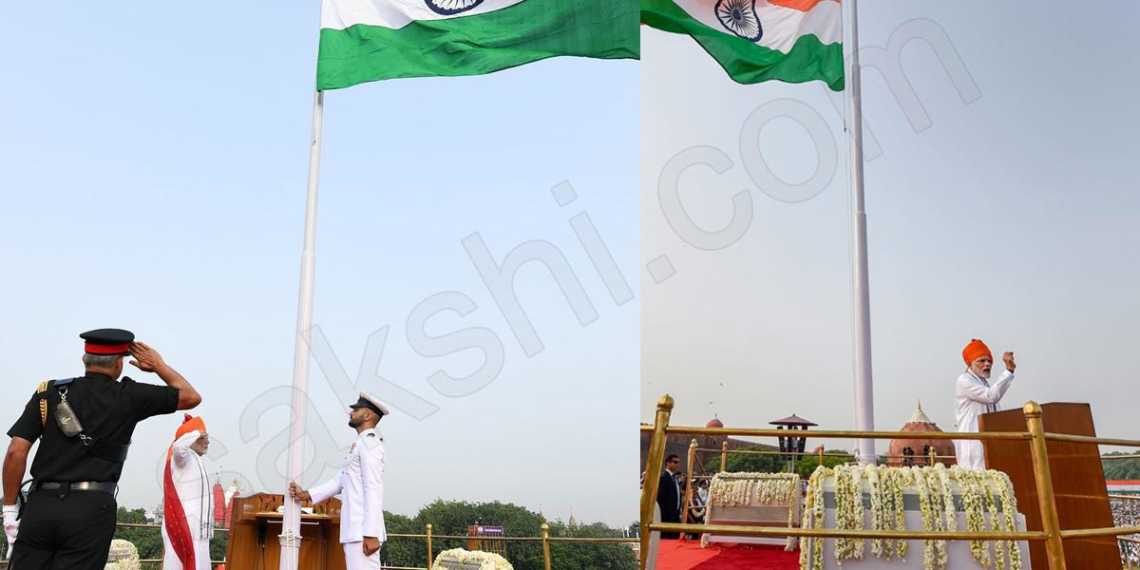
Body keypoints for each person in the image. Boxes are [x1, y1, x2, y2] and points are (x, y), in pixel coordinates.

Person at [3, 329, 201, 569]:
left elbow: (16, 451)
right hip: (90, 509)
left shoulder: (49, 392)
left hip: (41, 505)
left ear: (84, 360)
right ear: (119, 364)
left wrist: (10, 509)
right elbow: (191, 397)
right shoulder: (130, 396)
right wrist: (159, 365)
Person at [289, 393, 388, 570]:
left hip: (363, 531)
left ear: (367, 415)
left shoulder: (370, 444)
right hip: (354, 530)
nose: (350, 413)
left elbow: (373, 487)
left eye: (356, 410)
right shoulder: (360, 444)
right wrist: (307, 495)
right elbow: (340, 481)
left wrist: (371, 533)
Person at [954, 338, 1017, 470]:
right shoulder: (964, 380)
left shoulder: (983, 383)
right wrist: (1009, 372)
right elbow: (991, 396)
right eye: (981, 361)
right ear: (970, 363)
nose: (987, 364)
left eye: (989, 361)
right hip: (974, 442)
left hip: (990, 441)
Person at [162, 414, 213, 570]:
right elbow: (178, 446)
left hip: (200, 530)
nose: (207, 442)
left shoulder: (195, 459)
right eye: (203, 438)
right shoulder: (182, 458)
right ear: (190, 438)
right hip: (185, 525)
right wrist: (195, 432)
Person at [655, 454, 681, 539]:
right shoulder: (664, 477)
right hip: (666, 516)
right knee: (666, 539)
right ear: (668, 463)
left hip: (675, 515)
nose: (677, 464)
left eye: (678, 462)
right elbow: (660, 498)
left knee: (674, 539)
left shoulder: (674, 478)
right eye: (675, 462)